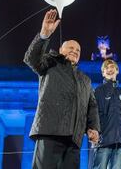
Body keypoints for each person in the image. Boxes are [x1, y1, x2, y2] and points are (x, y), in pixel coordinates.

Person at [23, 9, 100, 169]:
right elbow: (31, 59)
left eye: (78, 50)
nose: (74, 51)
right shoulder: (50, 63)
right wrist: (44, 35)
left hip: (74, 140)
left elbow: (91, 107)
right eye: (70, 47)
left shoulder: (85, 80)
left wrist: (93, 128)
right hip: (50, 133)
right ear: (60, 50)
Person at [92, 59, 121, 169]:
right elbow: (93, 114)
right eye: (106, 68)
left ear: (117, 71)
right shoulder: (98, 91)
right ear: (103, 73)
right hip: (104, 139)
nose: (109, 69)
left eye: (112, 67)